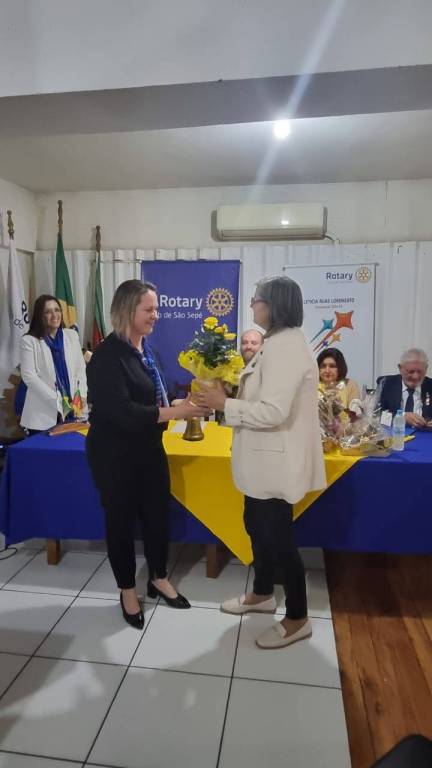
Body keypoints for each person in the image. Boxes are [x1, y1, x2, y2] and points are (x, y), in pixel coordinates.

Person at [194, 276, 325, 649]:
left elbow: (272, 412)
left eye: (257, 300)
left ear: (274, 305)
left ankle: (298, 617)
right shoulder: (276, 343)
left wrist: (224, 404)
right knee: (255, 526)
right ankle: (263, 593)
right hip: (264, 462)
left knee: (278, 538)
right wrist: (228, 395)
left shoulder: (285, 348)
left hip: (275, 464)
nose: (252, 305)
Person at [86, 279, 209, 630]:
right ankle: (127, 590)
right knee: (121, 523)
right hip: (115, 455)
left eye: (157, 308)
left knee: (157, 517)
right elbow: (124, 412)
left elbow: (155, 397)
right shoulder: (107, 357)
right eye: (149, 309)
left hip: (149, 449)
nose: (156, 315)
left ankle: (158, 577)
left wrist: (180, 403)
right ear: (128, 310)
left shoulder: (147, 350)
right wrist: (177, 413)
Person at [20, 294, 87, 433]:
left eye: (57, 310)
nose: (54, 315)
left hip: (74, 410)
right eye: (48, 312)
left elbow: (80, 368)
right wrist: (57, 401)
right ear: (40, 316)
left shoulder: (71, 335)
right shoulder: (29, 341)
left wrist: (82, 395)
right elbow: (29, 377)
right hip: (42, 415)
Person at [378, 348, 432, 427]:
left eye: (420, 372)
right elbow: (375, 415)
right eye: (411, 372)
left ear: (426, 368)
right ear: (400, 368)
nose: (415, 376)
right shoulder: (386, 384)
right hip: (395, 433)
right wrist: (401, 417)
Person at [316, 347, 360, 413]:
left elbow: (354, 414)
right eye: (323, 366)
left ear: (340, 367)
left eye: (332, 366)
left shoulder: (350, 385)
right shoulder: (312, 386)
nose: (327, 370)